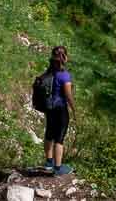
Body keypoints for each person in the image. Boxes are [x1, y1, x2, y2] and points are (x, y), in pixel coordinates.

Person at [43, 45, 75, 175]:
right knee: (59, 138)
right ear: (64, 57)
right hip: (60, 109)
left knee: (49, 133)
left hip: (49, 107)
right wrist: (74, 109)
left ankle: (49, 162)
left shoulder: (49, 72)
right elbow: (68, 95)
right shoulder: (64, 76)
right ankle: (58, 168)